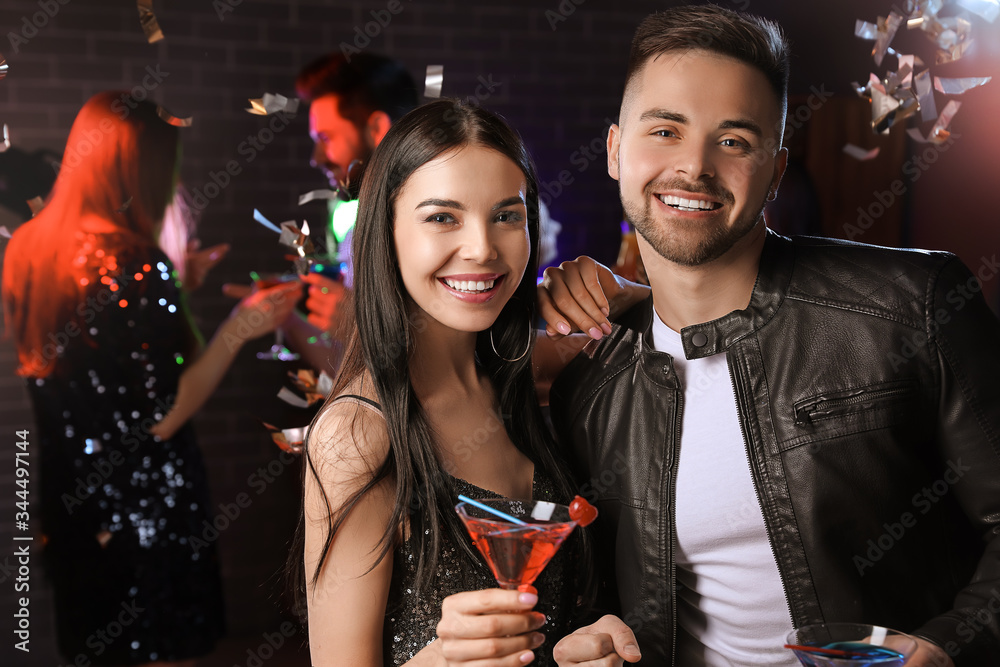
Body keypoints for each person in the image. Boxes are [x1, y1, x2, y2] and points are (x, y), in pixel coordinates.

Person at [539, 5, 1000, 666]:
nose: (693, 167)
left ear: (776, 170)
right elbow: (595, 594)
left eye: (733, 140)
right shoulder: (591, 385)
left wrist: (946, 645)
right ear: (615, 151)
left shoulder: (913, 305)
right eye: (665, 130)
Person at [288, 98, 640, 667]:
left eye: (506, 215)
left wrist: (620, 290)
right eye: (442, 217)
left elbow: (699, 323)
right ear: (387, 232)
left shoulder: (526, 371)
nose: (482, 248)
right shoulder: (356, 435)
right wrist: (444, 660)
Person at [2, 91, 300, 667]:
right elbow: (160, 417)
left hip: (73, 506)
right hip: (148, 512)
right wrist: (241, 328)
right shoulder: (137, 263)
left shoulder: (28, 248)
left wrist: (172, 292)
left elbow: (94, 364)